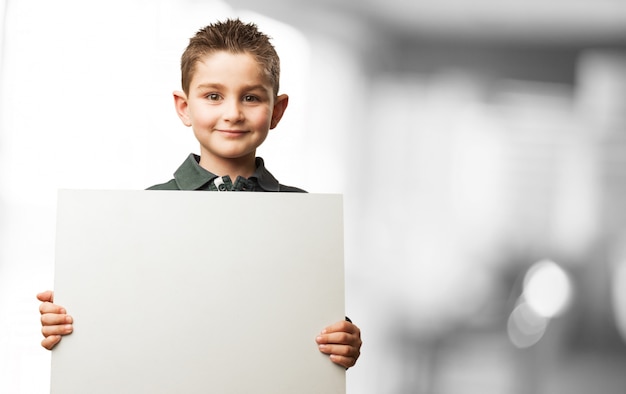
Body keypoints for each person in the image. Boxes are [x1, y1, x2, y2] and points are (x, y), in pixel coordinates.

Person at [37, 18, 361, 369]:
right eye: (213, 96)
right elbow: (123, 312)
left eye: (251, 97)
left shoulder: (304, 215)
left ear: (277, 110)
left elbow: (307, 317)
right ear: (184, 107)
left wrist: (343, 340)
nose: (233, 113)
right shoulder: (145, 210)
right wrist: (70, 319)